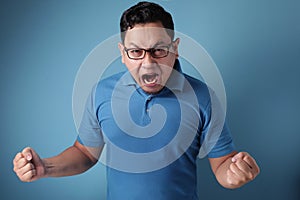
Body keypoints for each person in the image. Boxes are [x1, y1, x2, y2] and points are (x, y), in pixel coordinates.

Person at [13, 1, 260, 199]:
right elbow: (85, 153)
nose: (148, 63)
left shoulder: (203, 97)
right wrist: (46, 167)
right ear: (123, 53)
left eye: (159, 50)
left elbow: (223, 165)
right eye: (136, 52)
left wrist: (234, 174)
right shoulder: (101, 93)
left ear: (175, 48)